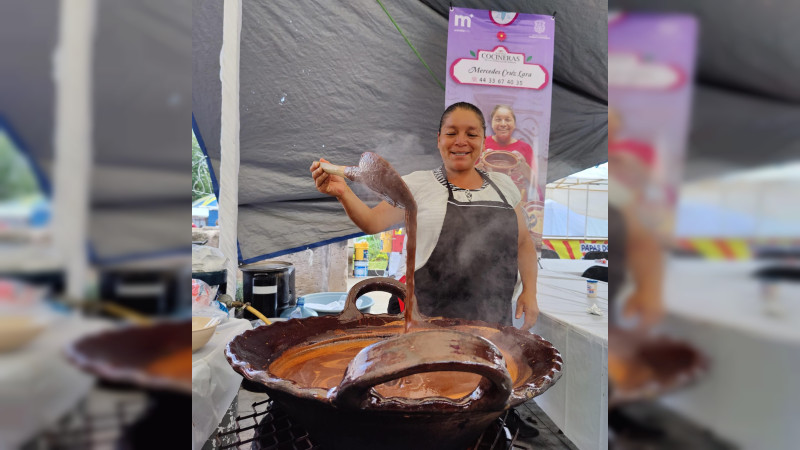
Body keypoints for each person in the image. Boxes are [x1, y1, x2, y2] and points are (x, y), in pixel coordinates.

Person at [310, 102, 539, 329]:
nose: (461, 141)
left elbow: (524, 243)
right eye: (451, 133)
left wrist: (530, 290)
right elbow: (373, 222)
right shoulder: (417, 184)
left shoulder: (503, 186)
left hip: (492, 322)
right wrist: (342, 192)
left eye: (471, 134)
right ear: (439, 139)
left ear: (483, 141)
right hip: (425, 320)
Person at [608, 107, 664, 329]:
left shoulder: (631, 159)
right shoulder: (614, 181)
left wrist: (648, 290)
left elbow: (643, 240)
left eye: (613, 127)